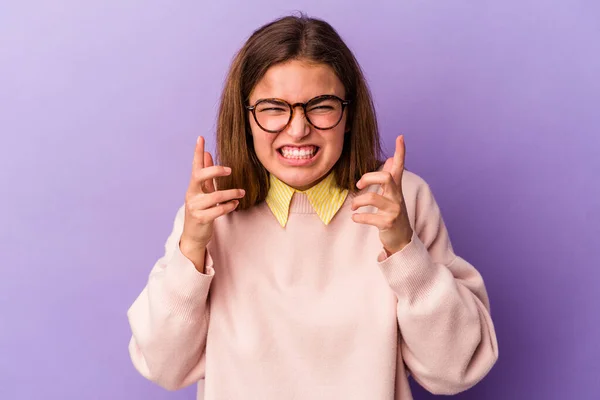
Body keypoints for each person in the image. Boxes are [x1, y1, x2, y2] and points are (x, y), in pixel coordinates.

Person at [127, 14, 498, 400]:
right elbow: (163, 367)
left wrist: (404, 250)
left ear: (349, 114)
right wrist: (191, 250)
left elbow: (456, 369)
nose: (298, 128)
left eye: (321, 106)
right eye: (273, 108)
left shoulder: (402, 199)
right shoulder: (211, 211)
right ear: (246, 117)